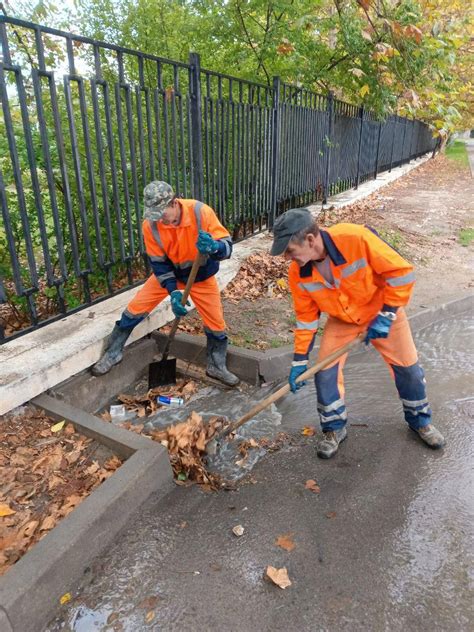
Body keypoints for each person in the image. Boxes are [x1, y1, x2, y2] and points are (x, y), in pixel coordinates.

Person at [270, 208, 445, 458]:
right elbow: (307, 319)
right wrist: (299, 361)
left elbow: (402, 273)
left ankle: (421, 422)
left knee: (409, 370)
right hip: (343, 321)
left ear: (310, 240)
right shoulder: (298, 272)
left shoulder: (355, 239)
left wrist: (385, 316)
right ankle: (334, 429)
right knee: (325, 373)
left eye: (289, 250)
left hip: (383, 312)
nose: (287, 257)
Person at [92, 181, 239, 386]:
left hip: (200, 278)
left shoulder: (200, 212)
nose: (160, 219)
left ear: (174, 203)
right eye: (155, 214)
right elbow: (159, 265)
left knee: (216, 324)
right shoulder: (150, 226)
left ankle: (216, 366)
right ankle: (113, 353)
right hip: (170, 275)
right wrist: (173, 291)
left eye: (162, 213)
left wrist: (215, 247)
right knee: (134, 310)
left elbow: (227, 247)